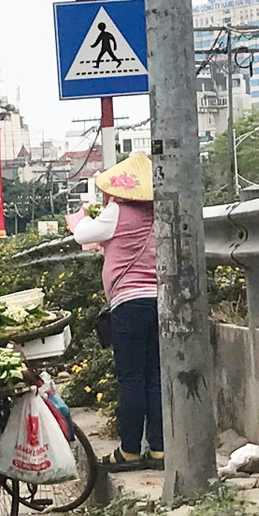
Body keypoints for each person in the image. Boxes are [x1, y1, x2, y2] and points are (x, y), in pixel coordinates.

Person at [72, 151, 161, 472]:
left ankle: (130, 450)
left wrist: (81, 216)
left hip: (129, 304)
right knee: (154, 374)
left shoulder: (116, 212)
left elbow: (82, 235)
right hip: (158, 301)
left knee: (131, 377)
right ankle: (160, 449)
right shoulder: (157, 213)